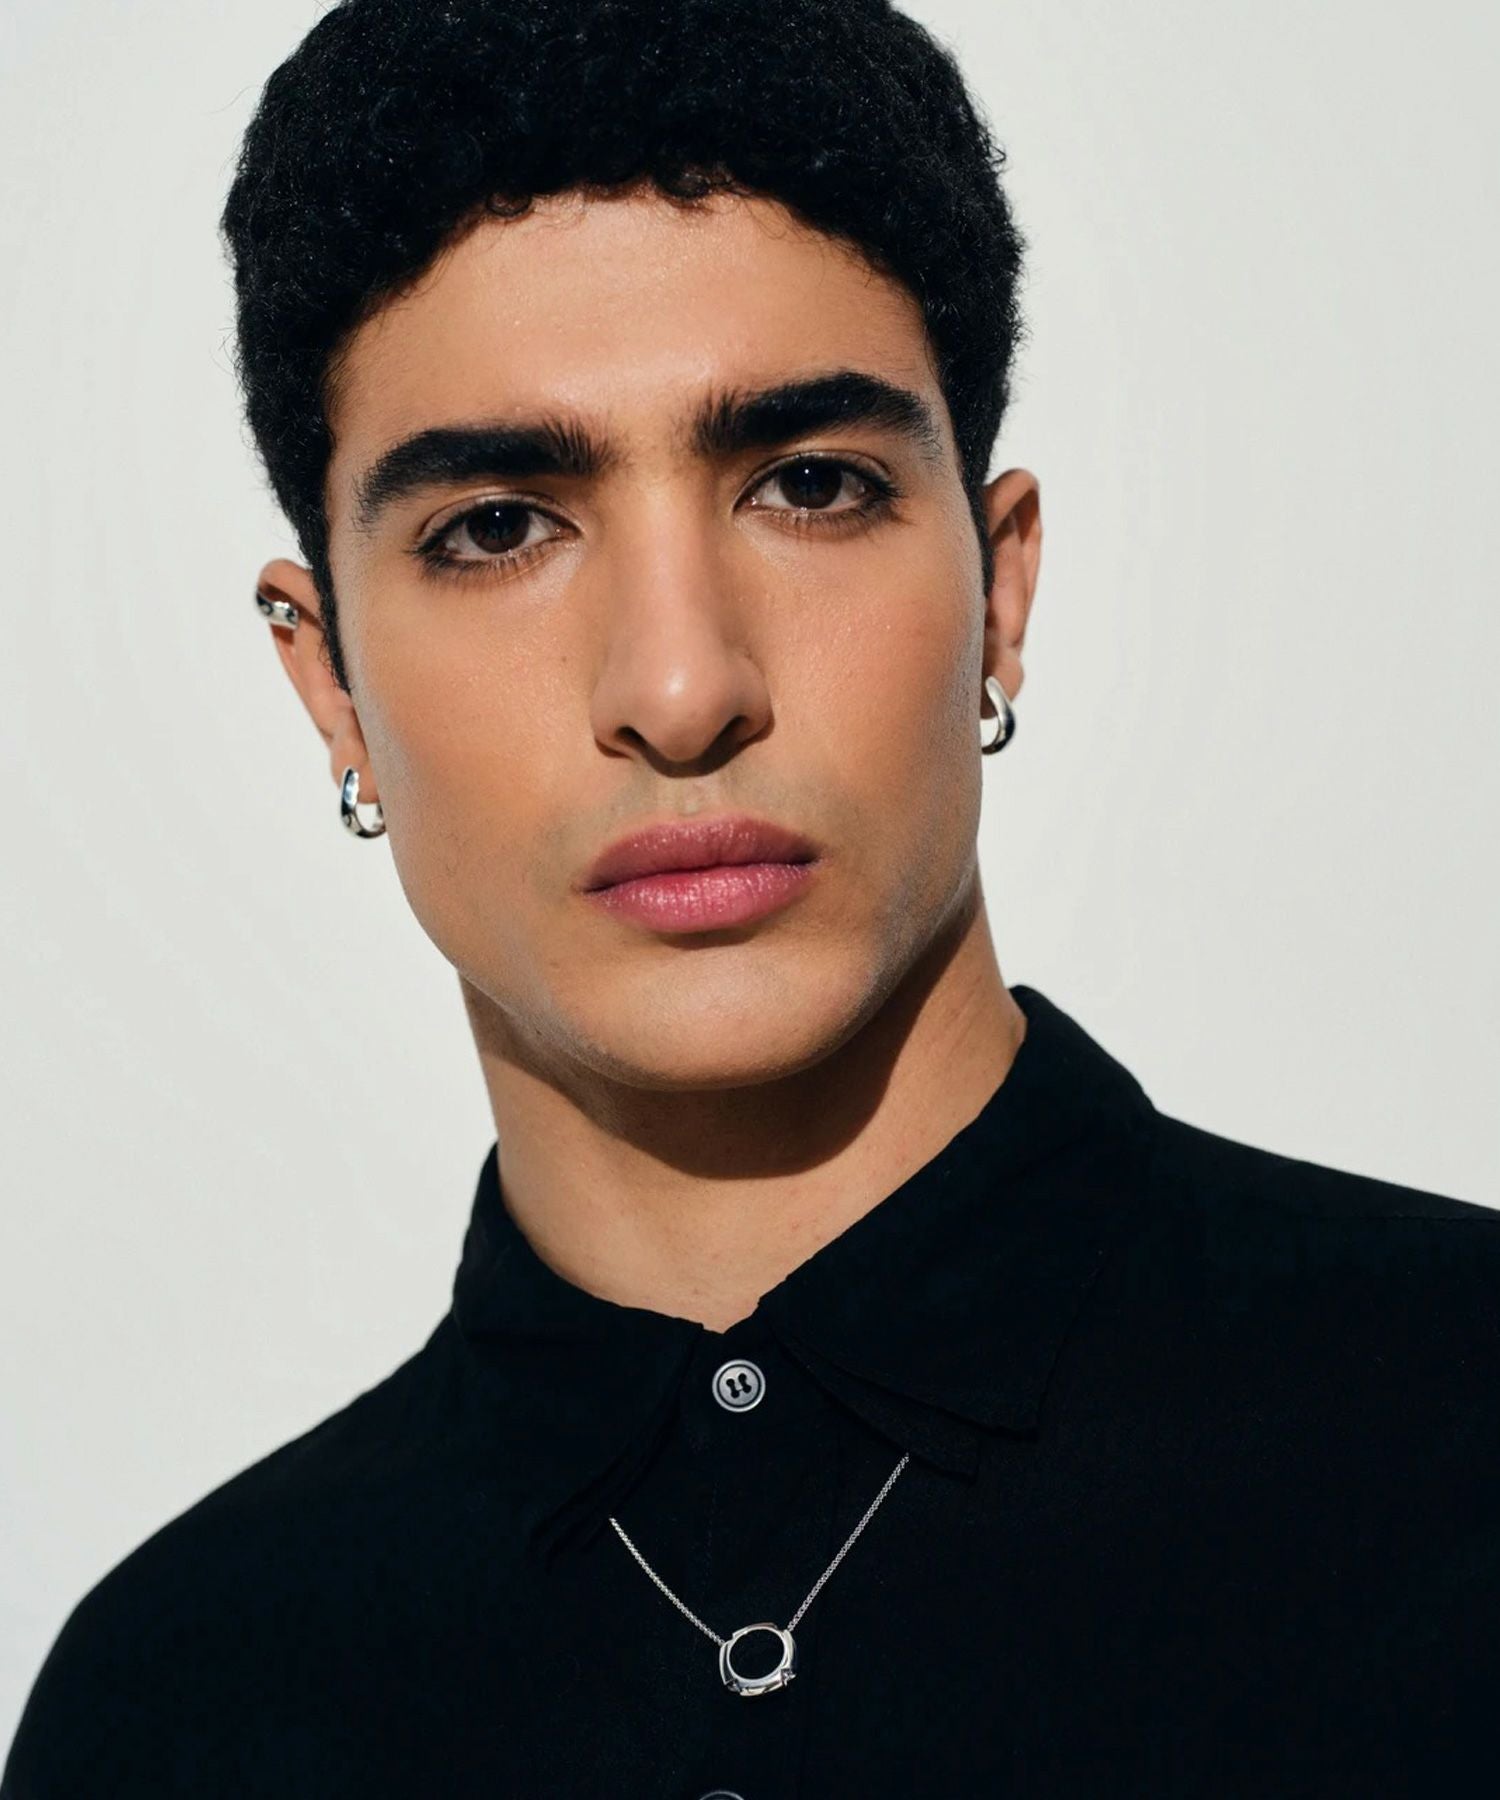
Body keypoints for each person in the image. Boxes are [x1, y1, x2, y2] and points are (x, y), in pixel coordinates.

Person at [4, 0, 1496, 1794]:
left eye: (810, 485)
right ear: (330, 685)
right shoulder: (171, 1712)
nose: (683, 686)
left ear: (1001, 590)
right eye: (498, 525)